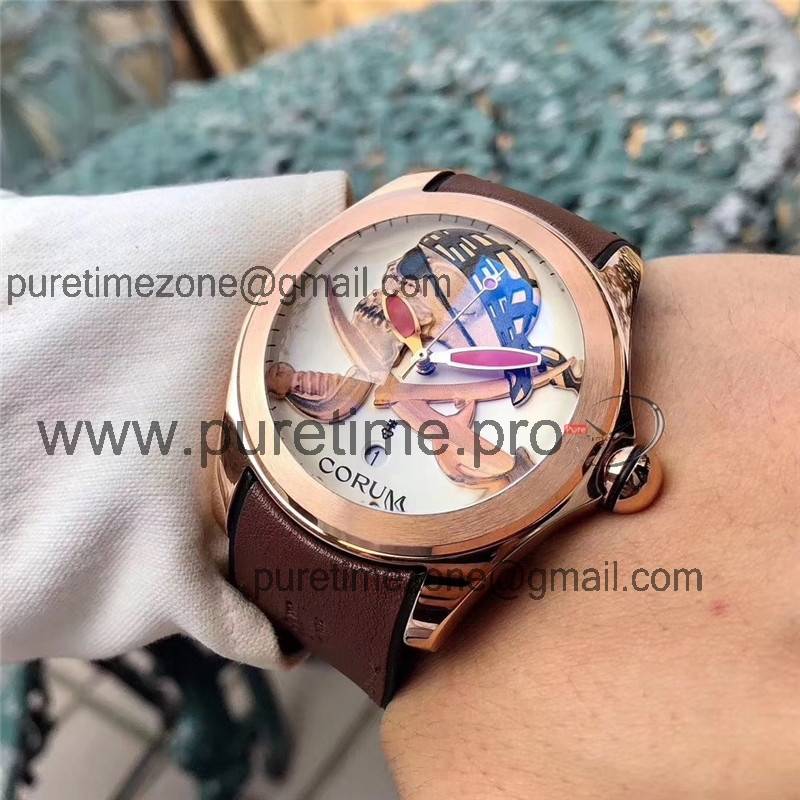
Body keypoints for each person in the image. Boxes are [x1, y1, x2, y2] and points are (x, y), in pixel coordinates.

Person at [2, 178, 798, 797]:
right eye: (408, 290)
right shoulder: (367, 338)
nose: (407, 314)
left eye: (431, 302)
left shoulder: (481, 393)